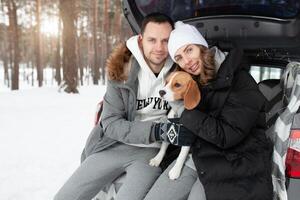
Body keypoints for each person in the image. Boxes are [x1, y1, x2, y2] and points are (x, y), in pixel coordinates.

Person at [144, 21, 274, 200]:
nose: (187, 61)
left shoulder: (240, 81)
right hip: (198, 155)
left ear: (201, 47)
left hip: (234, 162)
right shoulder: (193, 80)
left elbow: (227, 135)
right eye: (179, 57)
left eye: (189, 50)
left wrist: (185, 113)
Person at [54, 13, 178, 200]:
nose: (159, 48)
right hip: (112, 145)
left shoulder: (181, 70)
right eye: (152, 40)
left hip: (150, 154)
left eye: (166, 41)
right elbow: (111, 123)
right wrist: (157, 130)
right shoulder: (121, 70)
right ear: (141, 39)